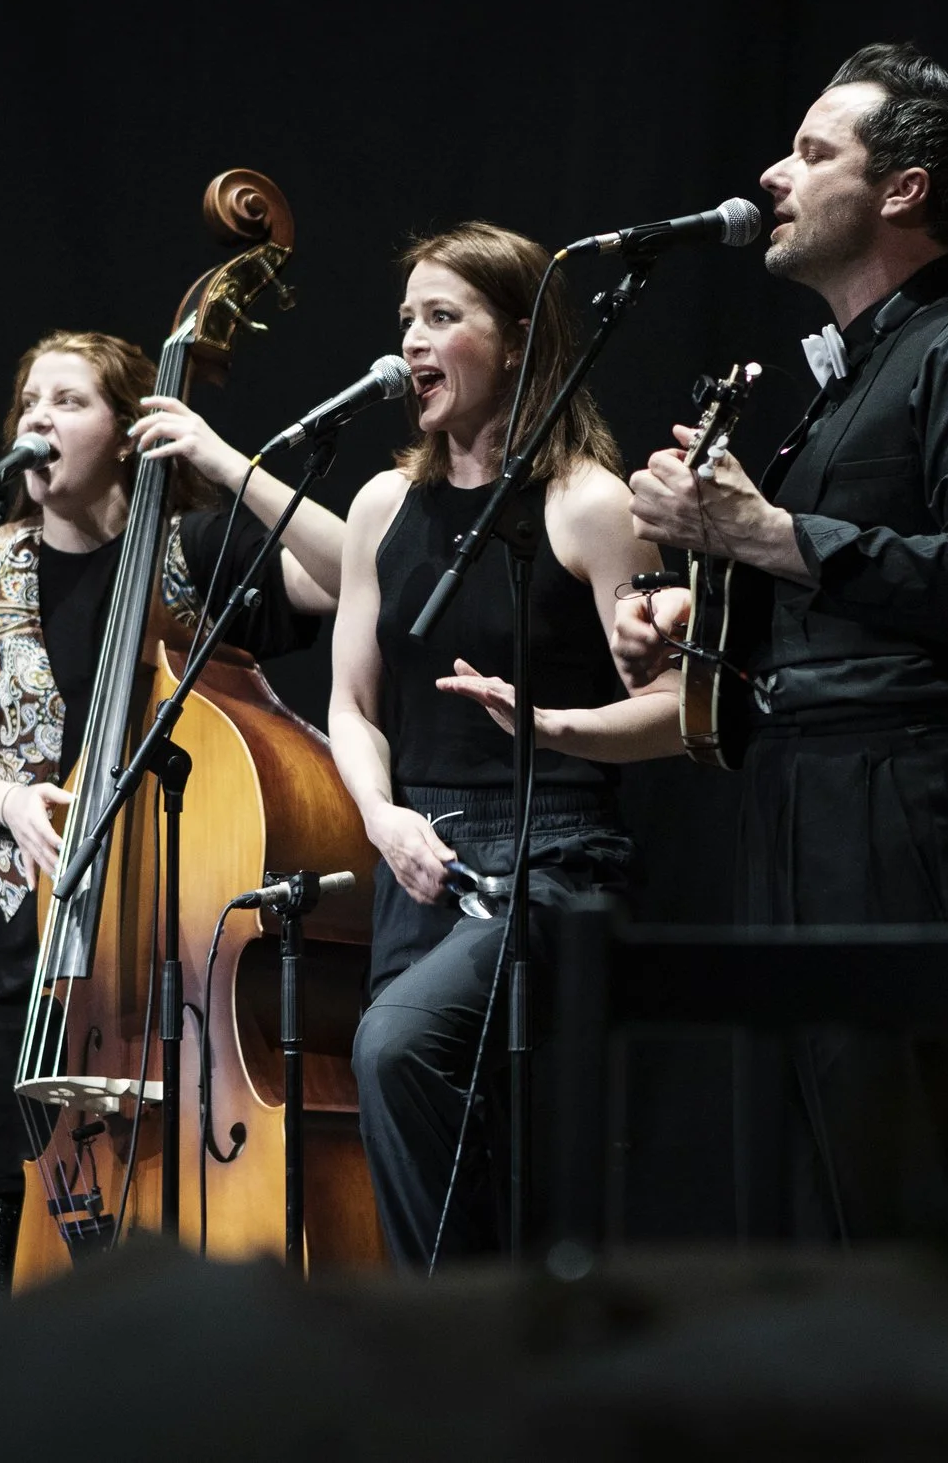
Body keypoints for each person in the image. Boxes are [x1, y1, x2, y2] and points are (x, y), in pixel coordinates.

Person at [620, 44, 948, 1239]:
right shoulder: (843, 383)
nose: (774, 174)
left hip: (907, 808)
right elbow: (838, 580)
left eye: (814, 151)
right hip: (801, 793)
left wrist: (766, 535)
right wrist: (699, 612)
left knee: (918, 1181)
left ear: (903, 189)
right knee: (814, 1190)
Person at [0, 329, 343, 1320]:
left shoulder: (191, 552)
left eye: (69, 401)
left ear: (129, 426)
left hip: (163, 967)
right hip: (17, 953)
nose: (40, 420)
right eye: (29, 403)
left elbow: (362, 572)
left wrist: (227, 463)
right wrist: (7, 800)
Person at [331, 222, 678, 1272]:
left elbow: (676, 710)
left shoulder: (589, 503)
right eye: (407, 318)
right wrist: (381, 817)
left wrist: (547, 723)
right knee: (446, 1140)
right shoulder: (382, 505)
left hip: (555, 857)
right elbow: (351, 703)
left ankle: (450, 1358)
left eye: (443, 316)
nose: (413, 340)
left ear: (519, 336)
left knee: (396, 1048)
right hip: (416, 859)